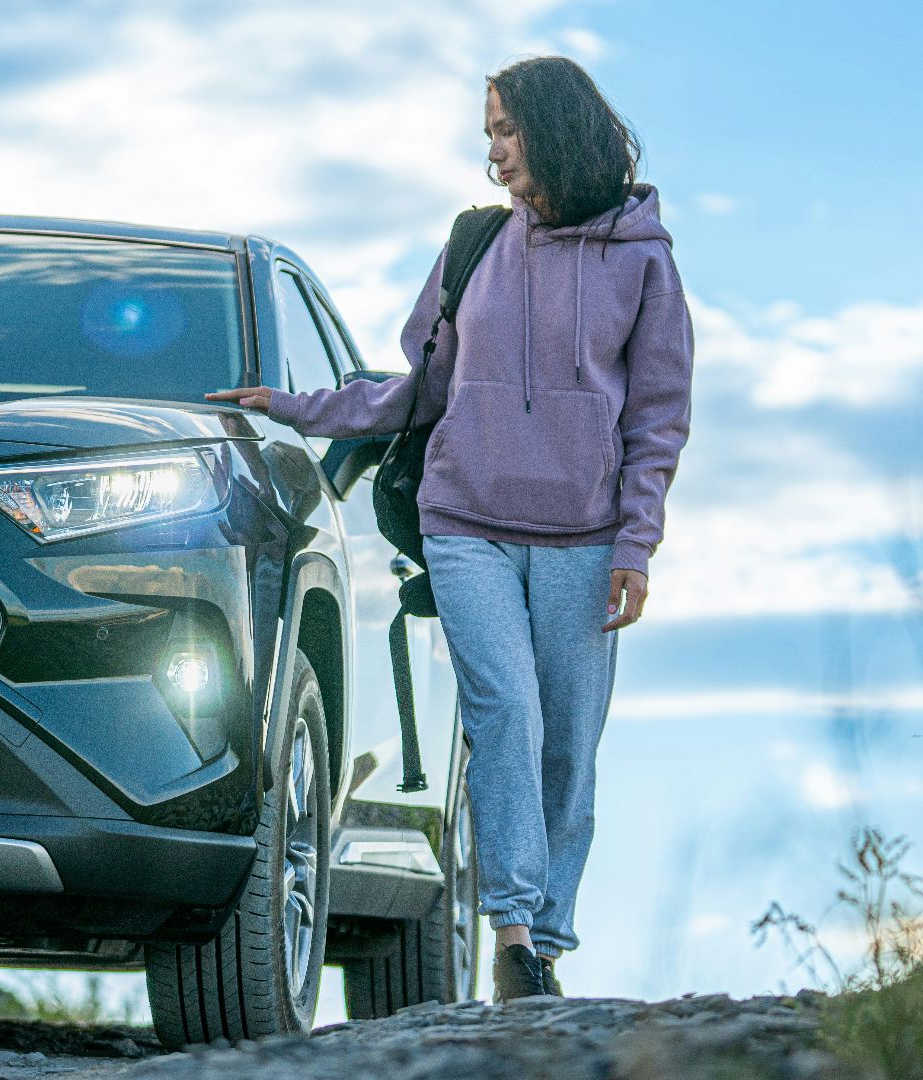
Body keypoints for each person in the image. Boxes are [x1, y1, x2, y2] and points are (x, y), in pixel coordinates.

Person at [206, 54, 694, 1003]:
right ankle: (515, 934)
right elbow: (420, 389)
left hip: (584, 535)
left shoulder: (644, 259)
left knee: (568, 743)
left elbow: (658, 417)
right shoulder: (474, 245)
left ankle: (547, 934)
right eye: (489, 137)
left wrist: (636, 544)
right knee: (502, 713)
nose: (495, 154)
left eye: (507, 132)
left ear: (554, 131)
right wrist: (301, 408)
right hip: (464, 520)